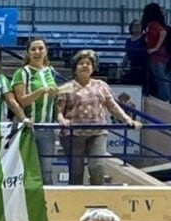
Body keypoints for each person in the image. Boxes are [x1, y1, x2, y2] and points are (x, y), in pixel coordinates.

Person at [57, 48, 140, 185]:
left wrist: (128, 120)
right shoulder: (66, 87)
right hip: (73, 134)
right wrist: (62, 120)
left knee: (97, 166)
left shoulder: (101, 85)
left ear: (93, 67)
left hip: (98, 132)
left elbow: (112, 106)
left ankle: (97, 196)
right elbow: (59, 110)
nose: (85, 66)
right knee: (76, 171)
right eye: (81, 63)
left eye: (88, 64)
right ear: (75, 68)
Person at [139, 2, 171, 104]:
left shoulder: (153, 24)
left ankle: (166, 98)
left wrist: (155, 48)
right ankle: (167, 98)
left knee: (161, 78)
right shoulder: (154, 24)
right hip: (160, 55)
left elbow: (163, 33)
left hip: (157, 56)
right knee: (163, 78)